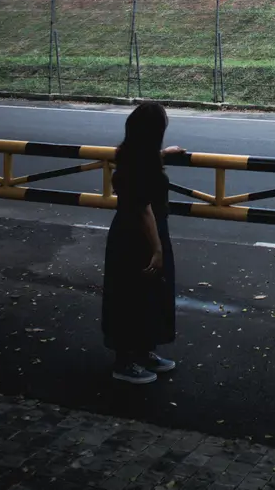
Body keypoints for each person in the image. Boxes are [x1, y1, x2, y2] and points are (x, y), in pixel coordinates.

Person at [102, 101, 183, 384]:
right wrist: (157, 248)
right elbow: (142, 207)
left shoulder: (134, 154)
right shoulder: (138, 163)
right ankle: (124, 361)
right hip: (138, 236)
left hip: (131, 232)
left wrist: (164, 154)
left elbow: (142, 164)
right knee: (133, 295)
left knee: (146, 293)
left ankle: (144, 350)